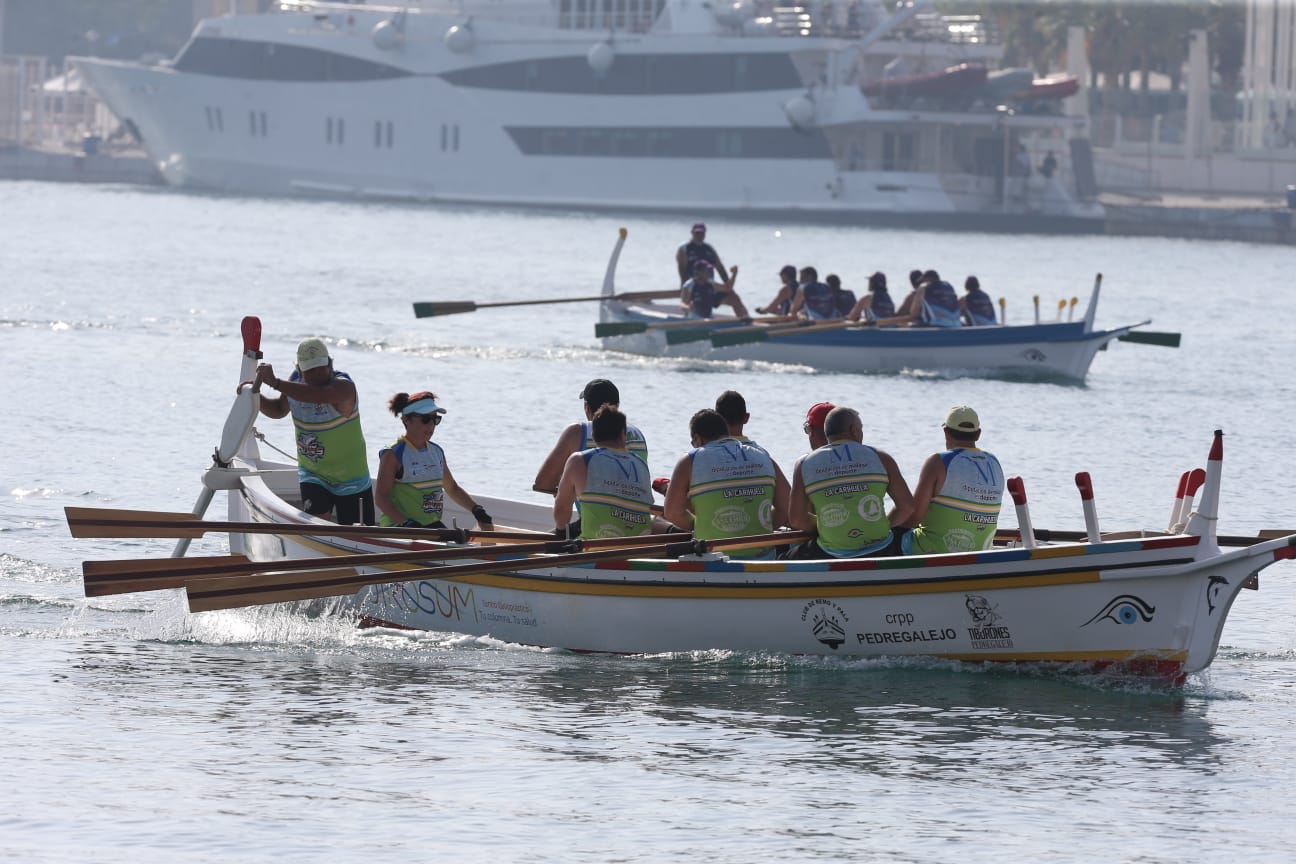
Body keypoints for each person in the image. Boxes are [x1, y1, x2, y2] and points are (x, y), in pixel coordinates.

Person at [254, 337, 374, 525]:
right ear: (300, 369)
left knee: (358, 534)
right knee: (317, 526)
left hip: (352, 479)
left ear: (330, 363)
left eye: (321, 367)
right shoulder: (295, 381)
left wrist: (276, 382)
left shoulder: (344, 386)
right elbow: (278, 409)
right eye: (311, 370)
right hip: (313, 474)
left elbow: (319, 396)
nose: (317, 373)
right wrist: (252, 396)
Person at [788, 406, 914, 558]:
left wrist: (827, 527)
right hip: (881, 547)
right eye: (861, 429)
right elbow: (907, 507)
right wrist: (881, 526)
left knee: (784, 557)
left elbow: (796, 519)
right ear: (854, 430)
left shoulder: (803, 464)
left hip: (832, 552)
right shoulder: (881, 457)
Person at [663, 409, 787, 559]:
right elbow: (787, 507)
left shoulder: (690, 460)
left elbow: (672, 512)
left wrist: (702, 524)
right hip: (764, 556)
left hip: (714, 558)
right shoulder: (763, 455)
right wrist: (760, 528)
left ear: (698, 439)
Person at [373, 391, 494, 532]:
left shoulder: (436, 452)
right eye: (425, 419)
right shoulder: (393, 454)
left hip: (430, 527)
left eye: (435, 419)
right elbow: (381, 498)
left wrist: (476, 509)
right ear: (406, 420)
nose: (431, 425)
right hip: (400, 528)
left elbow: (452, 488)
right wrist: (405, 523)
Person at [900, 406, 1004, 555]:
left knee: (884, 539)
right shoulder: (995, 462)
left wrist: (887, 527)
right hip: (981, 552)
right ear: (978, 434)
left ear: (946, 433)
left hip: (932, 551)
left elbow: (913, 517)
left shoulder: (937, 461)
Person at [552, 405, 653, 540]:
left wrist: (561, 534)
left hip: (596, 547)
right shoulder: (641, 464)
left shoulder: (579, 460)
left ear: (594, 436)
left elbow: (561, 510)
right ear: (623, 436)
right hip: (640, 545)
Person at [534, 378, 648, 497]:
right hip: (636, 514)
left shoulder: (577, 432)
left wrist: (567, 482)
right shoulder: (638, 435)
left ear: (587, 408)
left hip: (594, 514)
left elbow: (543, 484)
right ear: (617, 407)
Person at [714, 389, 791, 513]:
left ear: (716, 418)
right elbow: (788, 505)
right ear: (746, 418)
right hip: (759, 529)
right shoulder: (763, 456)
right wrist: (768, 523)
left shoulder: (702, 456)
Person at [883, 269, 961, 328]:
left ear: (926, 280)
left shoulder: (923, 288)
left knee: (908, 325)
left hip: (936, 327)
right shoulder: (949, 286)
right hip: (957, 325)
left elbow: (913, 315)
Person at [681, 259, 750, 319]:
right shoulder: (688, 286)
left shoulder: (710, 283)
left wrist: (734, 274)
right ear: (698, 272)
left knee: (734, 298)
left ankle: (745, 320)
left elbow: (727, 288)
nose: (709, 272)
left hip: (707, 320)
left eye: (709, 270)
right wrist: (688, 307)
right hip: (693, 320)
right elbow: (683, 304)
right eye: (706, 270)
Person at [675, 222, 732, 289]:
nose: (699, 235)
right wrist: (685, 287)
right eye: (697, 233)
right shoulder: (684, 248)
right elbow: (682, 270)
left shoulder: (709, 248)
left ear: (705, 233)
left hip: (709, 284)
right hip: (692, 285)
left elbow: (720, 268)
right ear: (692, 233)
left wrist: (728, 285)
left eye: (702, 233)